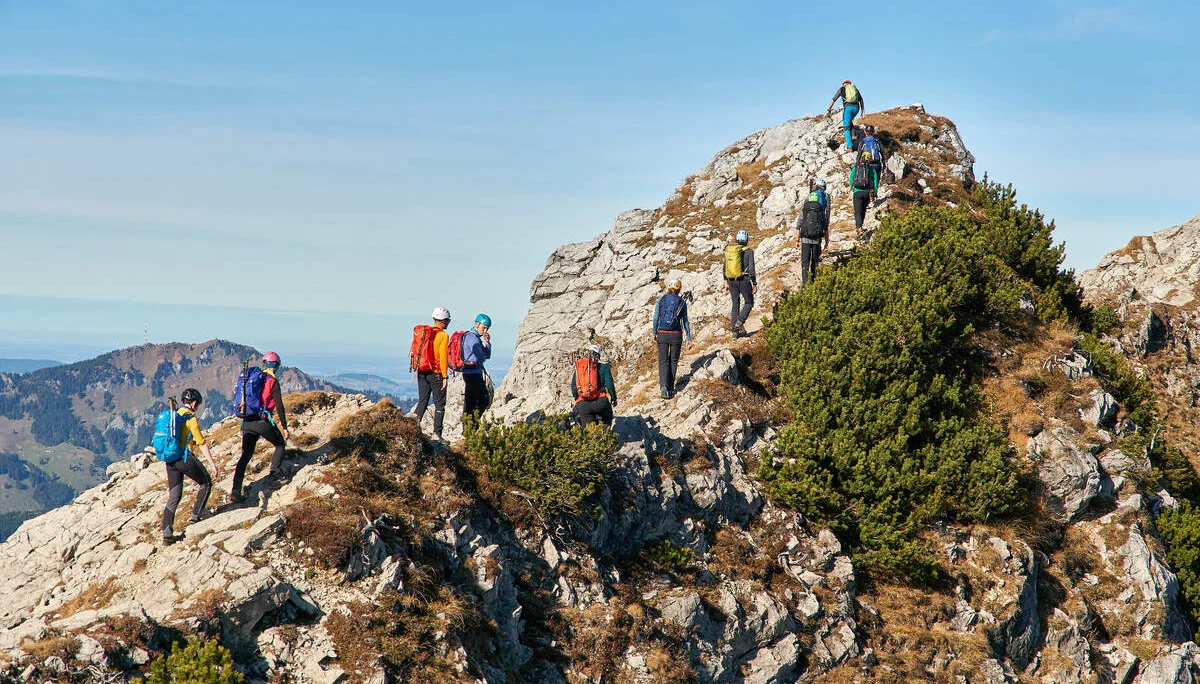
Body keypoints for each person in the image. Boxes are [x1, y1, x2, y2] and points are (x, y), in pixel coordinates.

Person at [231, 351, 290, 504]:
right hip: (262, 422)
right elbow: (280, 406)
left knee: (245, 455)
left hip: (247, 422)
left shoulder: (253, 378)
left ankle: (236, 489)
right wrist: (285, 427)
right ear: (276, 365)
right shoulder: (272, 381)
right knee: (280, 445)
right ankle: (274, 475)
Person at [163, 388, 219, 544]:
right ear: (194, 403)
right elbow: (201, 443)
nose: (197, 408)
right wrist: (213, 465)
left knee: (174, 496)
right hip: (184, 457)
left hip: (170, 459)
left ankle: (166, 534)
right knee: (206, 483)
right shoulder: (191, 419)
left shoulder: (173, 415)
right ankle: (196, 516)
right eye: (198, 405)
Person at [413, 307, 451, 441]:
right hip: (436, 374)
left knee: (422, 401)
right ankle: (437, 434)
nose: (449, 322)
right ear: (444, 321)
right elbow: (443, 357)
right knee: (439, 405)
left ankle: (412, 428)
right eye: (448, 320)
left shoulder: (426, 334)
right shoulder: (443, 336)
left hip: (422, 372)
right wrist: (445, 376)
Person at [653, 279, 691, 399]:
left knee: (663, 361)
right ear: (679, 289)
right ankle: (670, 388)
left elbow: (655, 318)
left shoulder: (661, 299)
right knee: (673, 361)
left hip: (662, 333)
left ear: (669, 288)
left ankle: (663, 386)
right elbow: (685, 321)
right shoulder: (681, 302)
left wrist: (655, 332)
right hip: (676, 334)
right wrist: (688, 337)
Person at [570, 345, 617, 428]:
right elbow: (610, 384)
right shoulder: (604, 367)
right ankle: (606, 436)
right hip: (601, 402)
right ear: (598, 356)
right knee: (607, 418)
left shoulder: (579, 368)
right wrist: (613, 398)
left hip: (584, 404)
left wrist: (579, 400)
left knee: (590, 434)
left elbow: (573, 387)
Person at [724, 229, 757, 338]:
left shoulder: (731, 250)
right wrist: (754, 283)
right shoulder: (749, 251)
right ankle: (739, 322)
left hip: (731, 280)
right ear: (747, 240)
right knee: (749, 302)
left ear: (737, 240)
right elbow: (751, 268)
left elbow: (725, 267)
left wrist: (725, 281)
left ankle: (734, 332)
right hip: (744, 280)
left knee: (735, 304)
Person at [795, 182, 831, 284]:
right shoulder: (820, 211)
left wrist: (797, 240)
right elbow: (825, 228)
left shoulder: (804, 210)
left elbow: (798, 225)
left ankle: (805, 284)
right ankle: (814, 282)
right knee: (815, 263)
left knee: (805, 263)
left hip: (805, 239)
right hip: (816, 239)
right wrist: (827, 242)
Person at [461, 313, 493, 417]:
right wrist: (483, 352)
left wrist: (487, 343)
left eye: (487, 328)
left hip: (470, 373)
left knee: (470, 402)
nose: (485, 331)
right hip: (473, 374)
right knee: (483, 400)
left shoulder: (473, 337)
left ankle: (468, 428)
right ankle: (472, 425)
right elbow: (482, 358)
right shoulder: (472, 338)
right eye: (484, 327)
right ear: (477, 324)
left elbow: (486, 356)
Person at [826, 79, 865, 150]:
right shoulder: (855, 89)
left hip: (848, 108)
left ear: (843, 84)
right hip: (856, 108)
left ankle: (849, 147)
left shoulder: (842, 89)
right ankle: (853, 136)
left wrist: (829, 109)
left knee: (846, 126)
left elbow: (833, 100)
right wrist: (862, 111)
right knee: (849, 121)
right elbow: (861, 100)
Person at [849, 151, 880, 234]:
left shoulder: (856, 168)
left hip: (857, 192)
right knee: (863, 210)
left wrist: (851, 186)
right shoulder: (872, 169)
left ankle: (859, 227)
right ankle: (861, 226)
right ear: (869, 160)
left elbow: (851, 177)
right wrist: (874, 193)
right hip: (866, 193)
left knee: (857, 211)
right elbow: (875, 182)